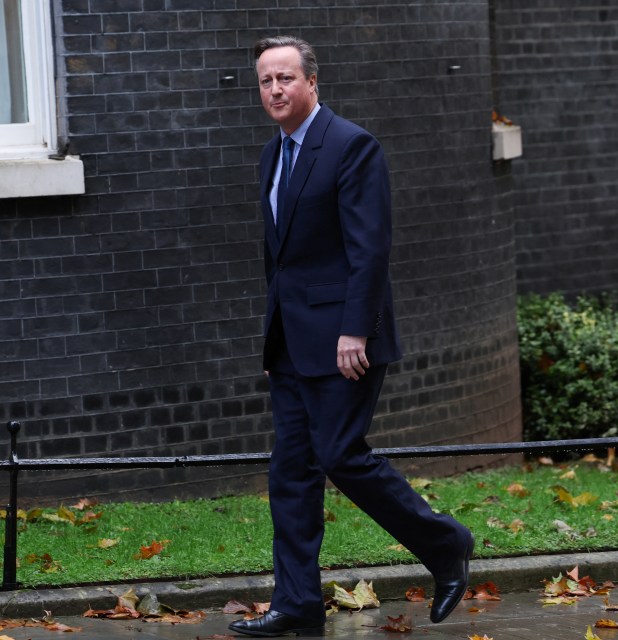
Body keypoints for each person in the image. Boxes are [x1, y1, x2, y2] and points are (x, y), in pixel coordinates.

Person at [228, 36, 474, 638]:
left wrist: (353, 331)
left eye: (286, 78)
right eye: (266, 81)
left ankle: (446, 544)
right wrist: (272, 339)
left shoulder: (351, 145)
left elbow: (370, 249)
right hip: (291, 342)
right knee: (291, 471)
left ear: (313, 81)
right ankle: (296, 603)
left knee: (340, 453)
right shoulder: (270, 156)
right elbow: (277, 259)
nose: (276, 90)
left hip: (345, 339)